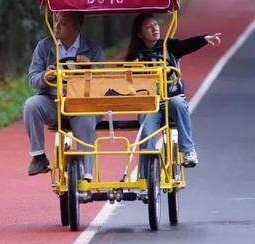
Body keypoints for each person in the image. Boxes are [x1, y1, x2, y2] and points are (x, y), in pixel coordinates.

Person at [125, 13, 222, 170]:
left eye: (155, 25)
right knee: (147, 129)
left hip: (172, 97)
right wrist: (133, 70)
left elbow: (186, 45)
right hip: (150, 104)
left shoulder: (169, 46)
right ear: (139, 34)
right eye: (148, 27)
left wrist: (204, 39)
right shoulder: (135, 56)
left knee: (178, 103)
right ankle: (145, 177)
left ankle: (188, 150)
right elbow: (126, 83)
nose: (154, 29)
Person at [23, 12, 105, 179]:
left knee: (87, 117)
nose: (57, 26)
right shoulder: (44, 46)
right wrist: (46, 76)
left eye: (63, 23)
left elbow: (104, 82)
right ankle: (38, 157)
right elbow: (32, 78)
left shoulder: (93, 49)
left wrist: (90, 68)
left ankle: (87, 173)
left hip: (83, 103)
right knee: (31, 105)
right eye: (56, 22)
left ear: (76, 27)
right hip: (53, 101)